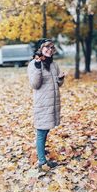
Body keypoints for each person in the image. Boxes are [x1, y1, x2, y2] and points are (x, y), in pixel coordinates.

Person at [27, 39, 65, 170]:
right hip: (43, 103)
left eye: (51, 48)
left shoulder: (54, 65)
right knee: (41, 131)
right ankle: (42, 162)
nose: (49, 50)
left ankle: (41, 150)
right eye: (46, 48)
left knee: (46, 129)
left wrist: (60, 78)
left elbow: (58, 84)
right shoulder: (33, 64)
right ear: (40, 49)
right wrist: (38, 67)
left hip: (53, 103)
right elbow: (35, 85)